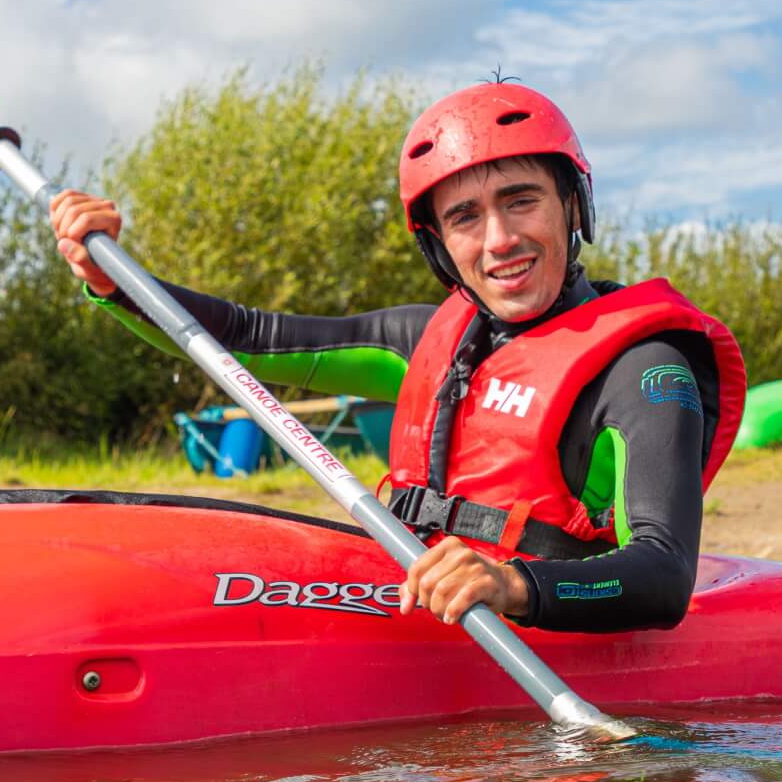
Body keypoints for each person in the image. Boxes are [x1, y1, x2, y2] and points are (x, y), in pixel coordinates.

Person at [49, 83, 746, 633]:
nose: (499, 239)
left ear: (572, 205)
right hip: (413, 609)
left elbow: (663, 574)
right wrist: (114, 279)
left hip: (544, 632)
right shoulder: (424, 343)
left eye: (521, 200)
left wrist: (514, 586)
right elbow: (244, 337)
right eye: (465, 217)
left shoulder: (644, 370)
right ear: (440, 243)